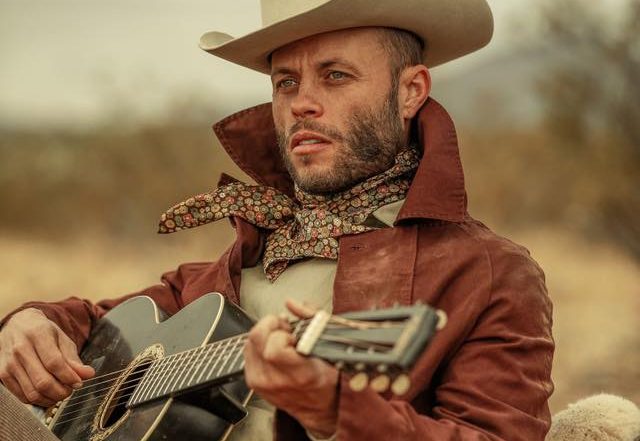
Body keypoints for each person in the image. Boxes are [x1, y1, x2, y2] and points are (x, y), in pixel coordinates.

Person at [0, 0, 554, 440]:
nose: (301, 104)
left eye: (335, 76)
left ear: (411, 91)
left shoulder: (487, 272)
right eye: (285, 82)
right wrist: (29, 323)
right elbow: (100, 324)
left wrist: (338, 413)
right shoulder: (243, 255)